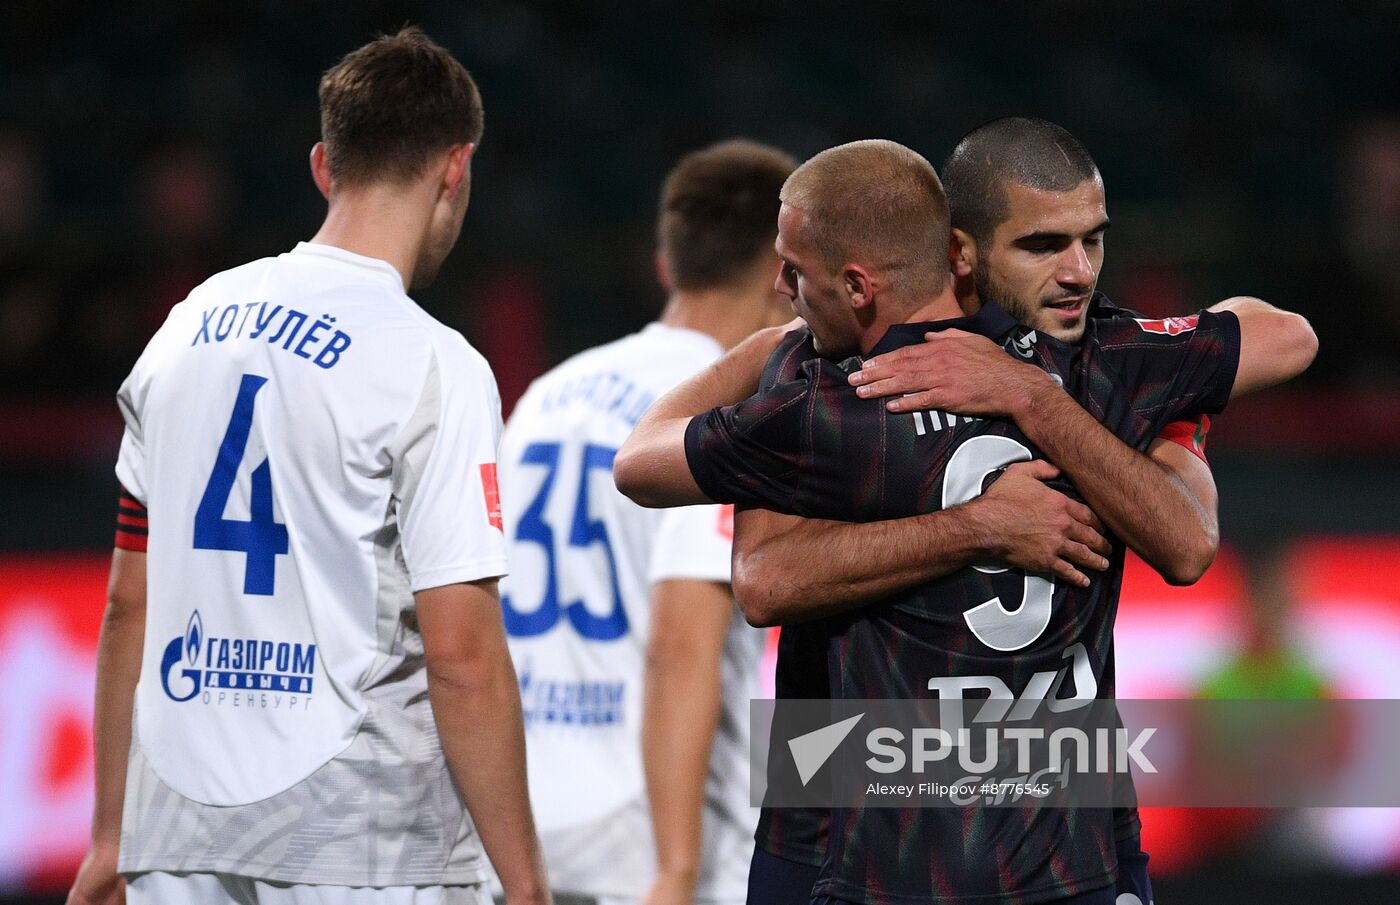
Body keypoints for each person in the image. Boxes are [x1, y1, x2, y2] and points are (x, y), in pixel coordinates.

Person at [614, 138, 1316, 903]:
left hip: (875, 839)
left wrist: (769, 350)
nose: (1078, 269)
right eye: (1044, 244)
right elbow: (1283, 342)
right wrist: (990, 514)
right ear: (962, 254)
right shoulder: (1107, 369)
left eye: (1092, 241)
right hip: (1055, 848)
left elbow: (654, 474)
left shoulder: (829, 393)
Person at [67, 29, 549, 905]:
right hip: (359, 837)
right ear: (456, 170)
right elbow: (463, 653)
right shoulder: (431, 362)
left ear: (325, 166)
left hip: (180, 831)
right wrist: (525, 884)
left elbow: (126, 602)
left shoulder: (183, 326)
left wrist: (111, 834)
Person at [496, 140, 796, 905]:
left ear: (669, 264)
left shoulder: (544, 394)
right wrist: (676, 872)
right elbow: (678, 645)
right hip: (649, 845)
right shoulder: (722, 417)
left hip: (520, 823)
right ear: (783, 274)